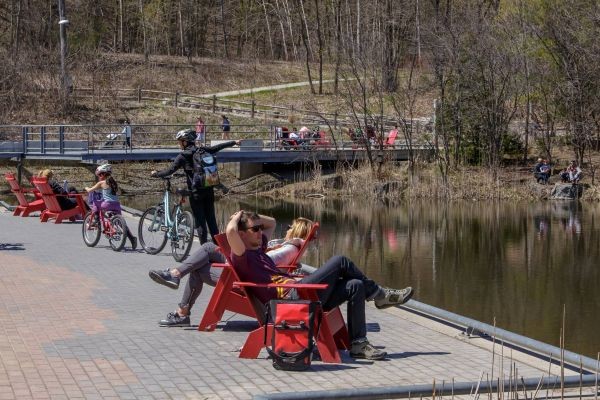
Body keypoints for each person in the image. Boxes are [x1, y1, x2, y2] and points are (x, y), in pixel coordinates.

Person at [226, 210, 414, 360]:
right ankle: (380, 295)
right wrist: (236, 218)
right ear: (241, 234)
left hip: (301, 293)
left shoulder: (258, 248)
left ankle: (359, 344)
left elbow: (272, 222)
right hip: (290, 300)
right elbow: (230, 232)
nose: (260, 232)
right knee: (340, 261)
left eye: (260, 228)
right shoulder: (242, 257)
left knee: (355, 285)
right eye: (255, 229)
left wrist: (246, 214)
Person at [149, 217, 318, 327]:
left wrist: (239, 224)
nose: (287, 228)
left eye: (290, 227)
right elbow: (272, 225)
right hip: (245, 267)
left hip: (243, 275)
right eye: (255, 229)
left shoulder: (287, 249)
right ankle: (179, 297)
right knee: (202, 259)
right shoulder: (284, 245)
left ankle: (177, 284)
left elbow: (267, 261)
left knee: (202, 261)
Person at [151, 129, 238, 244]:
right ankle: (220, 250)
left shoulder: (183, 156)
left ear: (185, 142)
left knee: (200, 222)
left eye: (180, 142)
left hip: (196, 192)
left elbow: (169, 170)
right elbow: (216, 148)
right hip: (209, 189)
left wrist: (156, 174)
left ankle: (205, 251)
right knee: (212, 221)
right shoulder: (202, 150)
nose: (179, 144)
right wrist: (234, 142)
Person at [85, 164, 137, 250]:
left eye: (98, 175)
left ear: (102, 175)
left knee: (96, 203)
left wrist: (86, 188)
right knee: (120, 224)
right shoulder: (113, 182)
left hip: (107, 205)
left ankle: (97, 219)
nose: (98, 177)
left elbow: (90, 190)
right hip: (116, 205)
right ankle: (132, 238)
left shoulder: (101, 183)